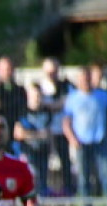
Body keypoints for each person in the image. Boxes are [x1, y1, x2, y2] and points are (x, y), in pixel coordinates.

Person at [63, 65, 107, 206]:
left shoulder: (102, 95)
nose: (85, 81)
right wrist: (72, 138)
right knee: (84, 178)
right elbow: (66, 122)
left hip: (100, 140)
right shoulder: (72, 98)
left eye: (87, 78)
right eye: (82, 79)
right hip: (81, 143)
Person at [38, 57, 74, 195]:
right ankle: (44, 192)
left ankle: (68, 192)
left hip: (62, 131)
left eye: (54, 71)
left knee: (65, 163)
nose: (51, 74)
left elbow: (65, 102)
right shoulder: (39, 86)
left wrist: (50, 105)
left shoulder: (66, 85)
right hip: (44, 131)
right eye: (49, 72)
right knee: (43, 164)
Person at [15, 81, 53, 195]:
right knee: (31, 178)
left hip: (43, 151)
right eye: (34, 95)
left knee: (43, 180)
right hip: (27, 152)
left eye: (39, 95)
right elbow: (19, 133)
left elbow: (49, 133)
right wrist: (39, 135)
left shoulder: (47, 112)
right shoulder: (21, 111)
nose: (37, 98)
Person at [0, 56, 28, 154]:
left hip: (17, 131)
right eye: (4, 69)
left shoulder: (20, 90)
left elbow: (24, 109)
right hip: (1, 129)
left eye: (9, 69)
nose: (7, 72)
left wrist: (20, 124)